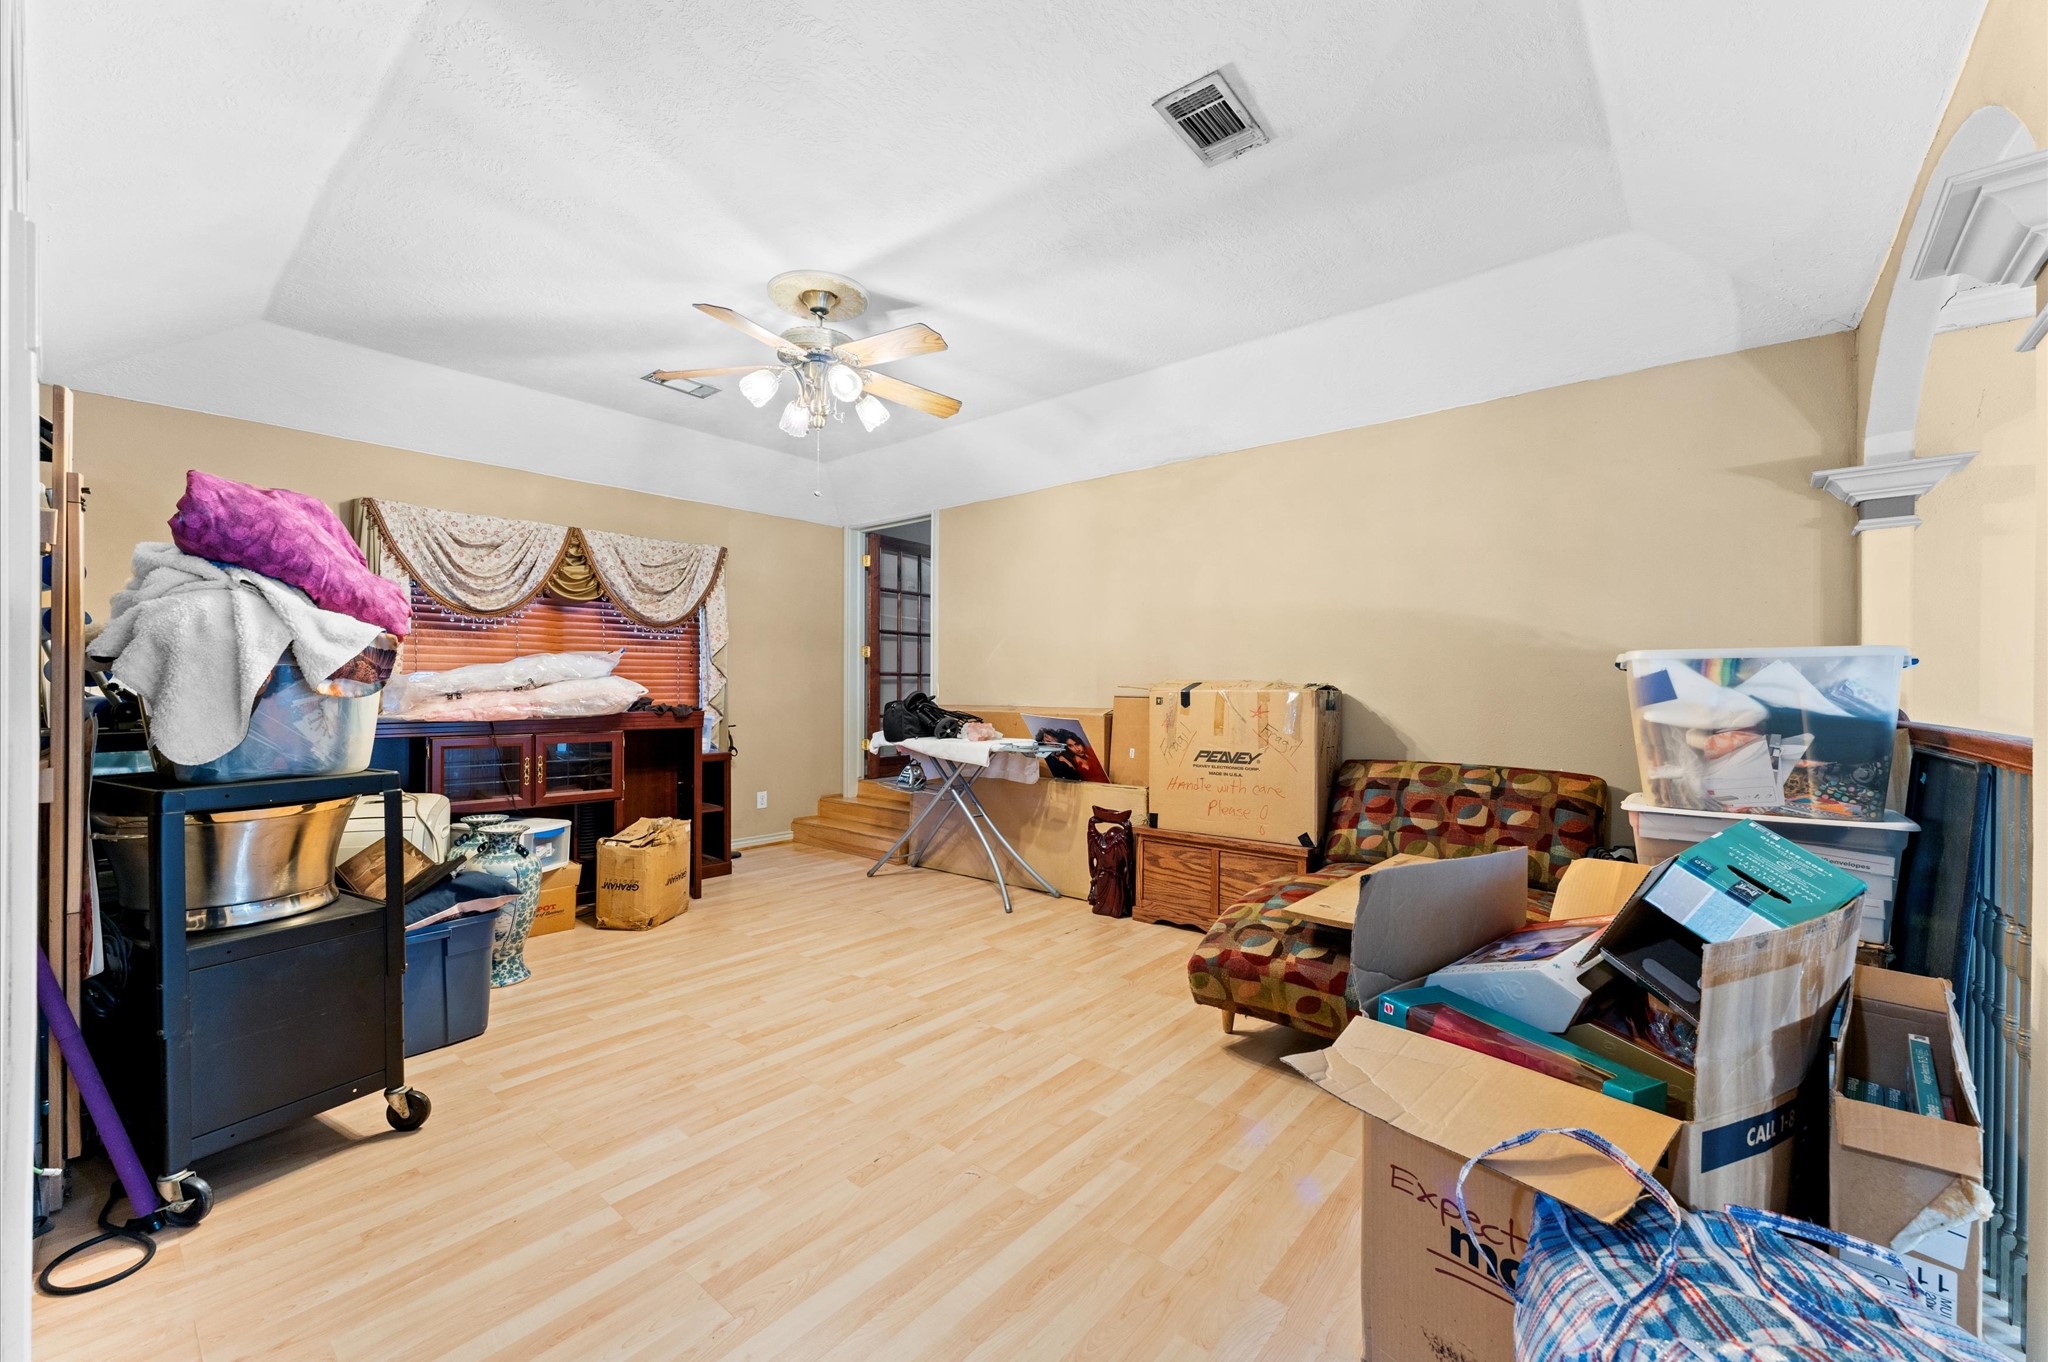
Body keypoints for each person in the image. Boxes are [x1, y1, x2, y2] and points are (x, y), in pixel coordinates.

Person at [1036, 726, 1107, 782]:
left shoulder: (1089, 752)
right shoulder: (1052, 760)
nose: (1077, 749)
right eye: (1047, 741)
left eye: (1053, 739)